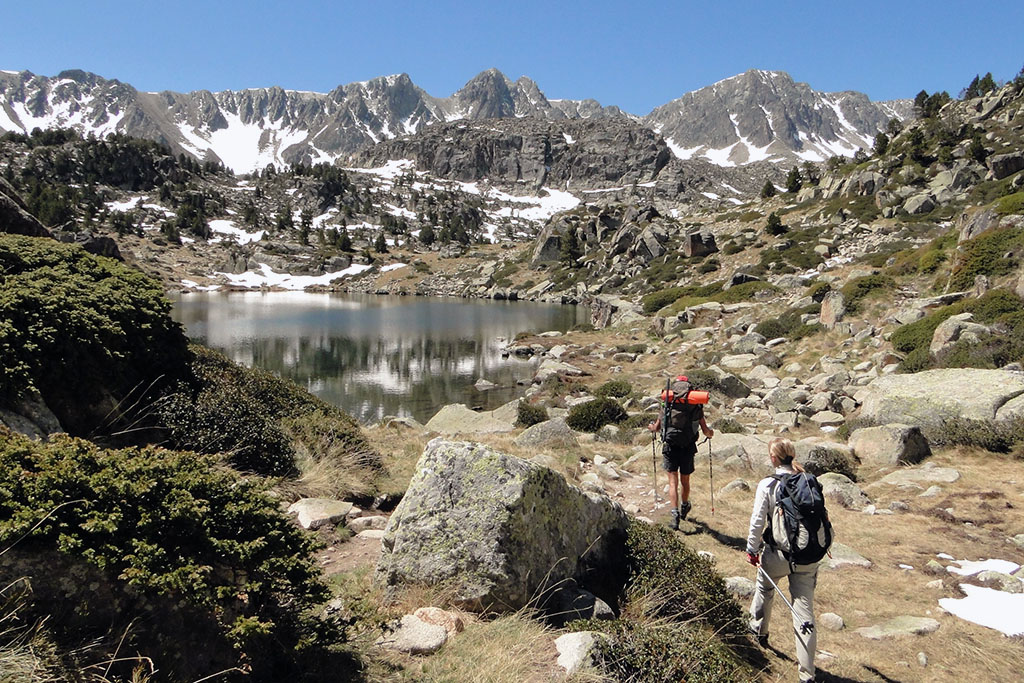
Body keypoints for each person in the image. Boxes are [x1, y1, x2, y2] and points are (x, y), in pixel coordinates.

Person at [745, 437, 818, 683]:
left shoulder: (767, 484)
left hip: (777, 554)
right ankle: (807, 675)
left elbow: (757, 521)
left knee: (765, 588)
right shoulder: (808, 481)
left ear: (773, 458)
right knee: (804, 612)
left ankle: (759, 630)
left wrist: (751, 550)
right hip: (808, 556)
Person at [647, 379, 713, 530]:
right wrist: (711, 434)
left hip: (670, 446)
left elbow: (656, 427)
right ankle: (684, 505)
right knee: (685, 480)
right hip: (688, 447)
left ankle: (674, 513)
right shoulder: (695, 405)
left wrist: (651, 427)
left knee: (672, 482)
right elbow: (705, 430)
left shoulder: (668, 404)